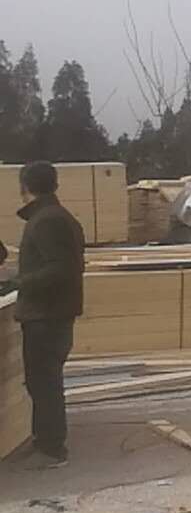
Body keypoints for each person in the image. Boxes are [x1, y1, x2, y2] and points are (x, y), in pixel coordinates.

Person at [14, 161, 85, 467]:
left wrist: (19, 282)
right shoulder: (58, 216)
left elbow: (61, 268)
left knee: (44, 383)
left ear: (25, 187)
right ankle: (45, 442)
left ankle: (52, 450)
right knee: (43, 382)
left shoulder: (47, 221)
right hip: (52, 312)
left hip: (46, 315)